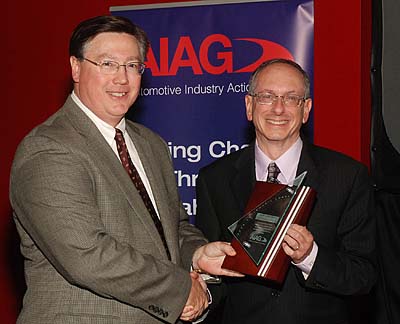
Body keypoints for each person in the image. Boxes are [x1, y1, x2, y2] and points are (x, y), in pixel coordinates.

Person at [9, 15, 241, 324]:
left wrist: (197, 254)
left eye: (132, 66)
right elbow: (87, 255)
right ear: (76, 68)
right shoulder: (49, 148)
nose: (122, 79)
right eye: (107, 64)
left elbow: (173, 227)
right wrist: (179, 290)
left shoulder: (151, 145)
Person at [195, 58, 376, 324]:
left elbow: (364, 276)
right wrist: (200, 299)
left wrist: (309, 257)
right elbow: (215, 272)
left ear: (306, 110)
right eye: (267, 96)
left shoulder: (347, 176)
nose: (278, 109)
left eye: (291, 98)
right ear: (249, 106)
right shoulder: (215, 179)